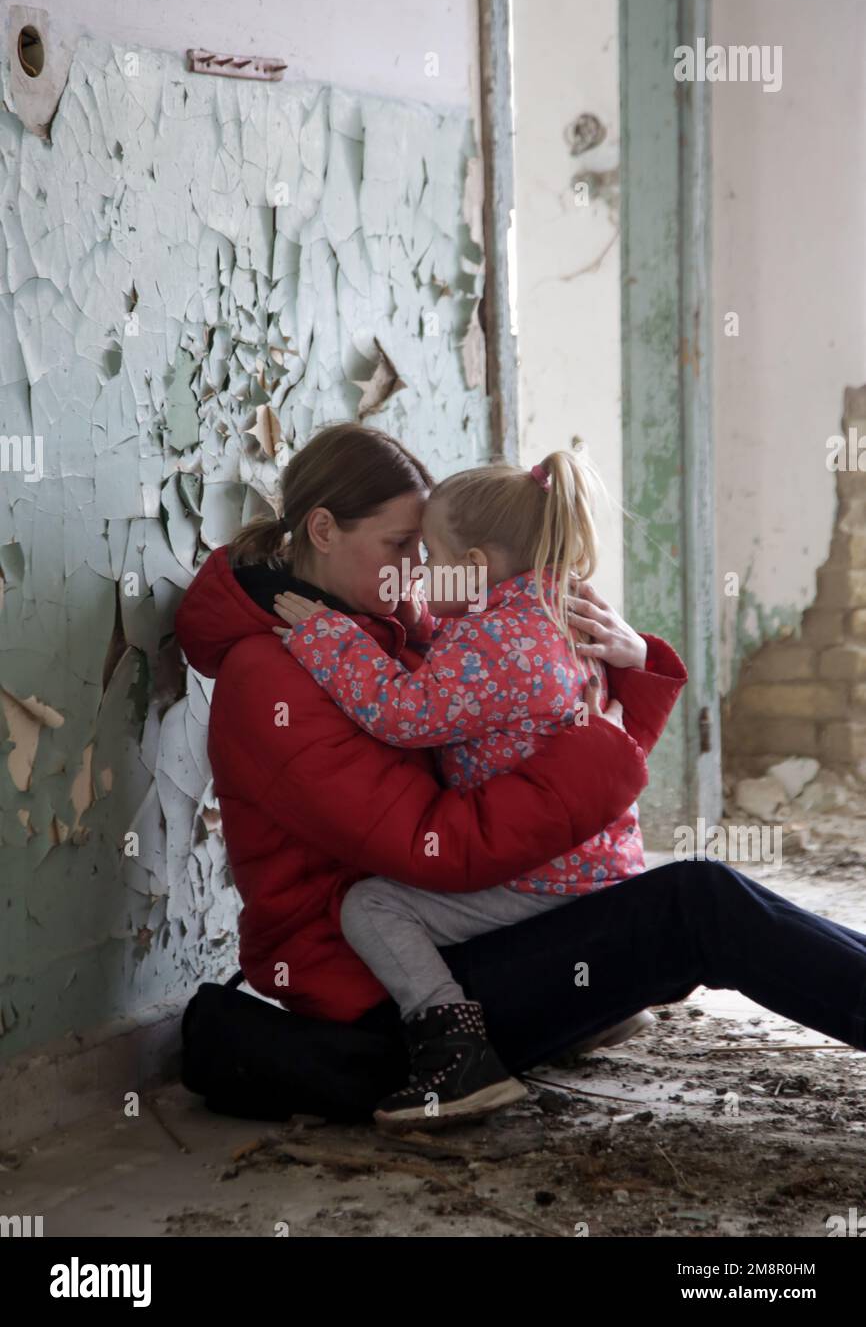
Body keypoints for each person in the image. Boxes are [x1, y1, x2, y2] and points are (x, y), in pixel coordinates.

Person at [174, 422, 866, 1125]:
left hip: (464, 932)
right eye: (400, 546)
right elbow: (436, 845)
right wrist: (605, 748)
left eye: (424, 547)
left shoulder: (388, 627)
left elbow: (534, 747)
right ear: (323, 529)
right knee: (696, 904)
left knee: (696, 899)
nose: (418, 567)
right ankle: (462, 1065)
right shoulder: (273, 677)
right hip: (398, 998)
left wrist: (619, 670)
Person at [271, 448, 666, 1126]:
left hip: (549, 874)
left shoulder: (493, 646)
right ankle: (599, 1003)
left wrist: (327, 636)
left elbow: (404, 713)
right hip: (599, 863)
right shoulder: (552, 614)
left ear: (475, 566)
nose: (416, 571)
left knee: (372, 908)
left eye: (426, 553)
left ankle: (455, 1051)